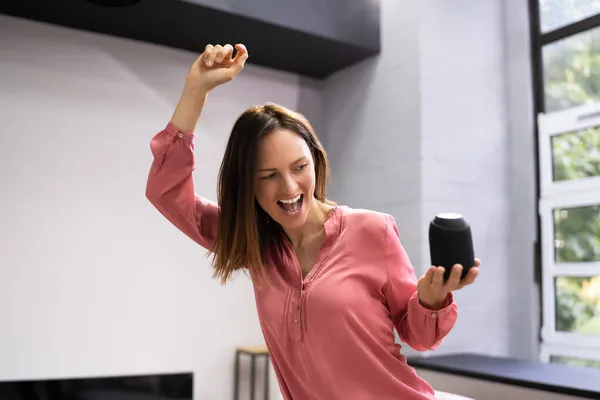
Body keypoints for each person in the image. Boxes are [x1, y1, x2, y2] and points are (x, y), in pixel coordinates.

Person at [145, 43, 480, 400]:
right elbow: (166, 192)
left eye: (299, 167)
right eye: (268, 175)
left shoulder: (373, 230)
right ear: (248, 186)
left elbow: (421, 337)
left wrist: (430, 301)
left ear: (316, 162)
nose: (289, 188)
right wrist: (196, 90)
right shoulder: (253, 243)